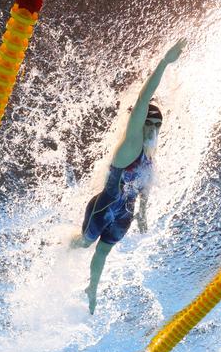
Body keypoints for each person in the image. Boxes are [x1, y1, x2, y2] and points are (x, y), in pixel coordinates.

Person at [71, 38, 186, 314]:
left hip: (123, 218)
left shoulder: (150, 154)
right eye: (150, 121)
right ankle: (61, 246)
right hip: (104, 207)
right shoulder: (131, 144)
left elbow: (145, 188)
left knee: (103, 252)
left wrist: (143, 214)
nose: (154, 127)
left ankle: (92, 289)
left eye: (159, 124)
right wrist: (164, 63)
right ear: (141, 120)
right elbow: (143, 100)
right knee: (85, 245)